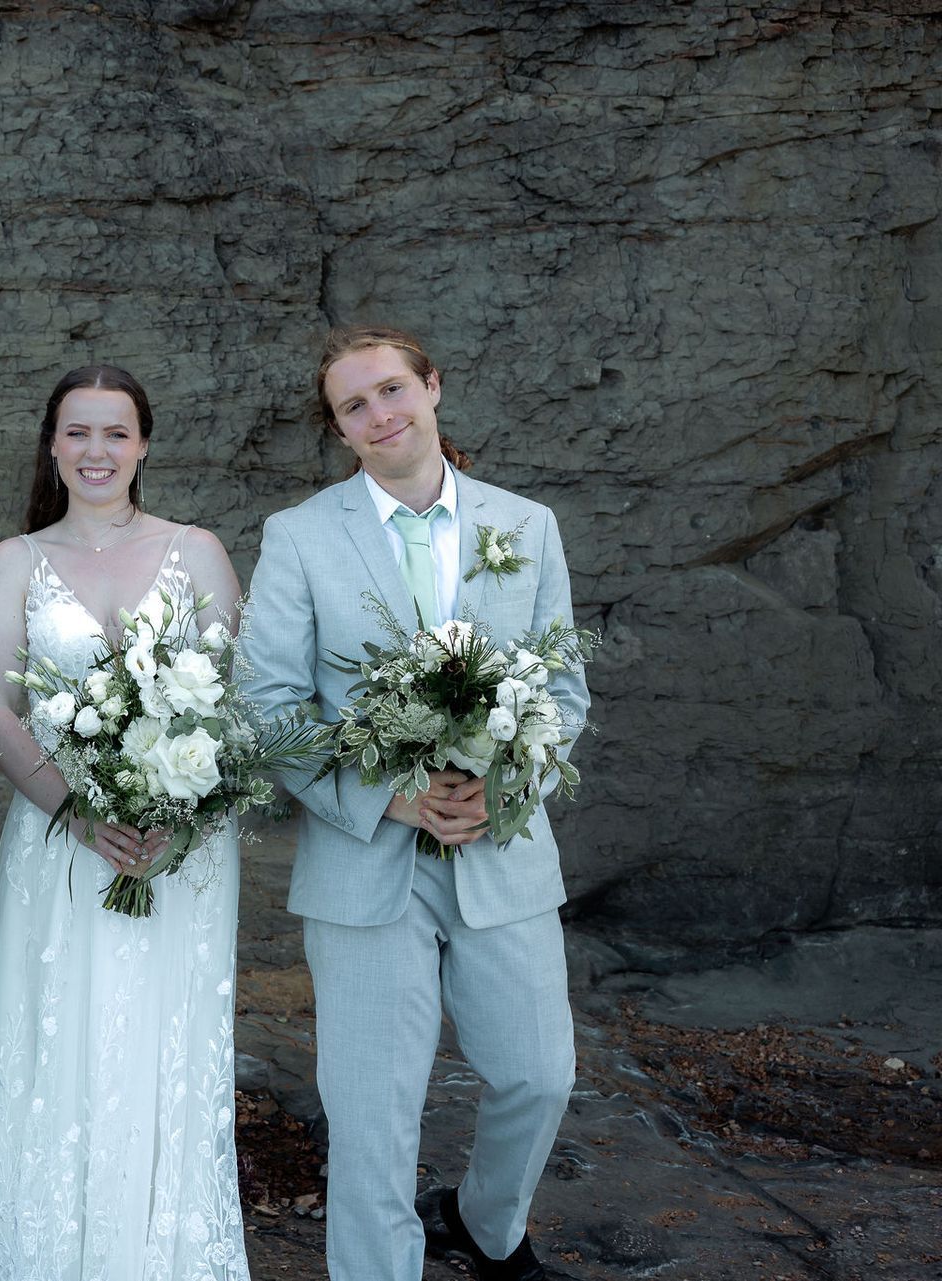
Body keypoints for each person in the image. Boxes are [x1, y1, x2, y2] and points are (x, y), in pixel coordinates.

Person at [240, 325, 587, 1281]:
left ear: (432, 387)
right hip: (365, 862)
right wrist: (392, 798)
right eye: (355, 405)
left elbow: (563, 696)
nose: (380, 414)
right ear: (341, 430)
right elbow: (268, 704)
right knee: (372, 1112)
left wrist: (502, 787)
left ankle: (483, 1223)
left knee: (538, 1072)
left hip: (500, 850)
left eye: (392, 390)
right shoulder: (302, 537)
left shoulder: (527, 526)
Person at [0, 366, 250, 1280]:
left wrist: (177, 809)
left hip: (180, 844)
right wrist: (77, 811)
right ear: (52, 446)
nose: (96, 452)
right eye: (77, 433)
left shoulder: (196, 551)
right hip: (60, 836)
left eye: (115, 433)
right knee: (55, 1030)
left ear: (144, 443)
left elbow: (231, 705)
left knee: (165, 1033)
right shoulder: (16, 560)